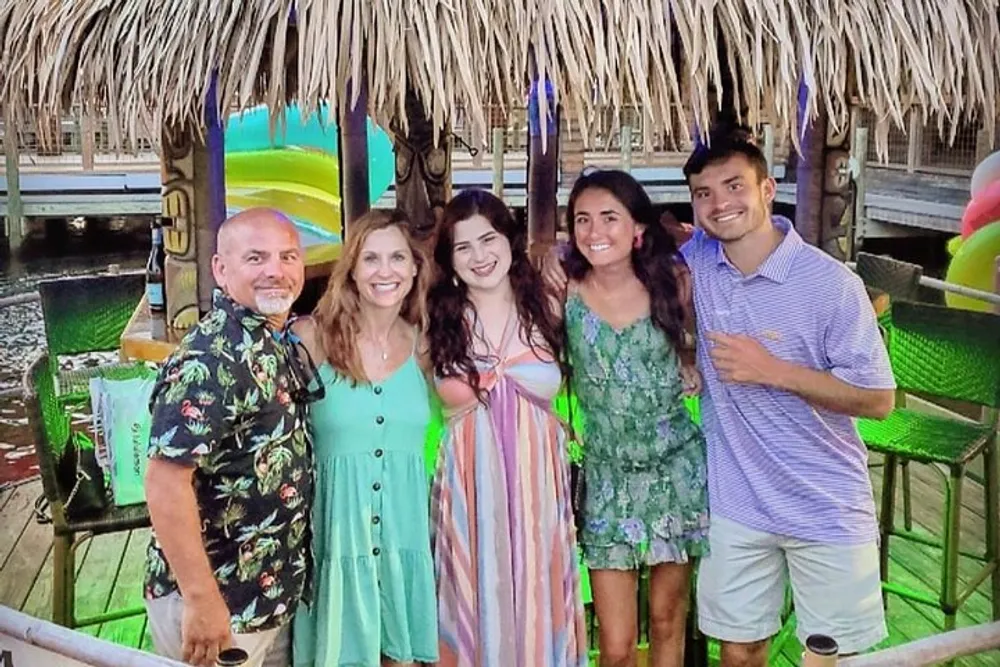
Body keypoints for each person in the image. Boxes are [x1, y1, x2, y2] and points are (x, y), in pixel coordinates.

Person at [679, 130, 895, 666]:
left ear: (768, 188)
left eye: (733, 186)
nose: (719, 203)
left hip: (826, 503)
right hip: (737, 501)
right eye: (703, 193)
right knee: (739, 649)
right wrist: (685, 353)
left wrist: (773, 371)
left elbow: (878, 400)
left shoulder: (830, 285)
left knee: (832, 656)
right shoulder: (698, 263)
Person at [549, 170, 708, 667]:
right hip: (606, 475)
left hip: (675, 471)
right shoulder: (564, 290)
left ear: (638, 228)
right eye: (583, 219)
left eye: (609, 218)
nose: (595, 231)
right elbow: (536, 360)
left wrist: (689, 363)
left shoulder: (674, 280)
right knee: (615, 644)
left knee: (666, 622)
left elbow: (700, 345)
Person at [144, 208, 312, 667]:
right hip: (221, 601)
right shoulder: (213, 357)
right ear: (221, 269)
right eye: (256, 258)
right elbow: (164, 481)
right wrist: (201, 600)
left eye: (287, 256)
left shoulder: (271, 338)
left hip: (267, 593)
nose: (275, 270)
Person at [427, 189, 587, 667]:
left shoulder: (552, 306)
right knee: (465, 599)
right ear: (449, 260)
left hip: (538, 486)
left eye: (489, 239)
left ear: (510, 241)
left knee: (540, 592)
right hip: (467, 490)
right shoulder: (434, 321)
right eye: (463, 246)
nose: (479, 256)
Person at [290, 209, 439, 667]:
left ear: (415, 268)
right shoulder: (310, 339)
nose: (385, 271)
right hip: (337, 537)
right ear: (351, 269)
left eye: (397, 258)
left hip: (404, 536)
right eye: (370, 258)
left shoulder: (424, 346)